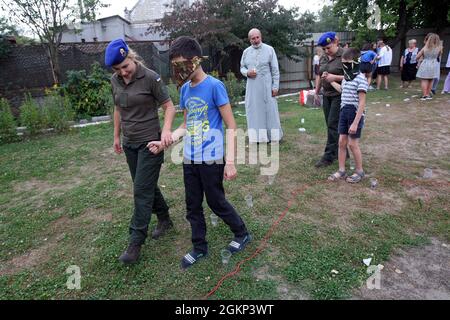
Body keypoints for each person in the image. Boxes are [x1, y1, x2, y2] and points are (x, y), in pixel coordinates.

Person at [149, 36, 251, 270]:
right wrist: (165, 142)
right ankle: (199, 247)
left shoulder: (215, 86)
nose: (179, 70)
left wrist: (231, 161)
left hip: (212, 157)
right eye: (175, 66)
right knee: (192, 204)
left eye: (182, 64)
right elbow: (186, 124)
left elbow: (231, 126)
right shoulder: (184, 90)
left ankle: (241, 233)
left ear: (195, 60)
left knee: (216, 201)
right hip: (190, 157)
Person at [105, 39, 176, 265]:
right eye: (117, 70)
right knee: (145, 185)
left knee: (141, 191)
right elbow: (118, 108)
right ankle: (164, 218)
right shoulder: (115, 81)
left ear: (132, 57)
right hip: (130, 144)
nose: (123, 73)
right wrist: (117, 136)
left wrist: (165, 132)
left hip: (150, 144)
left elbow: (169, 106)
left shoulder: (151, 77)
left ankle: (135, 242)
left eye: (125, 66)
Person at [327, 48, 367, 183]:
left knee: (353, 144)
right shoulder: (346, 79)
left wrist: (356, 122)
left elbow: (362, 103)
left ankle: (359, 171)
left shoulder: (361, 79)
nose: (345, 67)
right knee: (341, 142)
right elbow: (342, 90)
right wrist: (331, 81)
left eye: (348, 64)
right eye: (343, 64)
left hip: (355, 114)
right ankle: (342, 170)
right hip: (343, 112)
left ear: (356, 63)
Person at [240, 28, 283, 143]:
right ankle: (257, 137)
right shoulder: (246, 52)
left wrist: (275, 87)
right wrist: (247, 73)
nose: (256, 40)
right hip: (252, 86)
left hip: (267, 85)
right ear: (250, 40)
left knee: (270, 110)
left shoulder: (269, 50)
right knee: (254, 110)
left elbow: (275, 70)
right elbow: (242, 67)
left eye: (257, 37)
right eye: (253, 38)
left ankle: (273, 136)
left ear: (261, 37)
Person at [314, 31, 345, 168]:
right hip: (326, 95)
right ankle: (343, 150)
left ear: (336, 42)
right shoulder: (324, 58)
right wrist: (316, 91)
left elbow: (354, 76)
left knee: (333, 124)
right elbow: (320, 75)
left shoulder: (346, 55)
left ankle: (328, 157)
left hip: (340, 95)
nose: (327, 51)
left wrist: (335, 77)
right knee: (331, 125)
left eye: (329, 48)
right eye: (324, 49)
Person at [416, 33, 443, 100]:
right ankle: (428, 94)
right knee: (431, 80)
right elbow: (439, 56)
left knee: (424, 80)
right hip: (434, 64)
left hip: (426, 63)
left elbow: (417, 56)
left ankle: (424, 95)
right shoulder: (439, 48)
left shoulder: (425, 47)